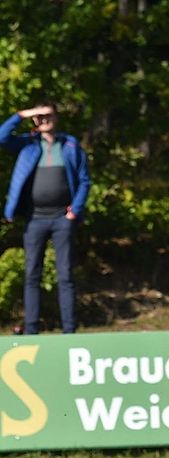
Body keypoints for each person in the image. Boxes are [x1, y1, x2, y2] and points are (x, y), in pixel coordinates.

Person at [0, 101, 90, 334]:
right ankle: (31, 330)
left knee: (65, 274)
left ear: (56, 117)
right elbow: (2, 137)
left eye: (47, 115)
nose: (44, 120)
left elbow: (84, 180)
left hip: (62, 219)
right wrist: (22, 114)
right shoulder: (28, 144)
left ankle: (69, 330)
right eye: (39, 117)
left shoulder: (69, 145)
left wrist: (75, 211)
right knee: (32, 274)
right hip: (35, 219)